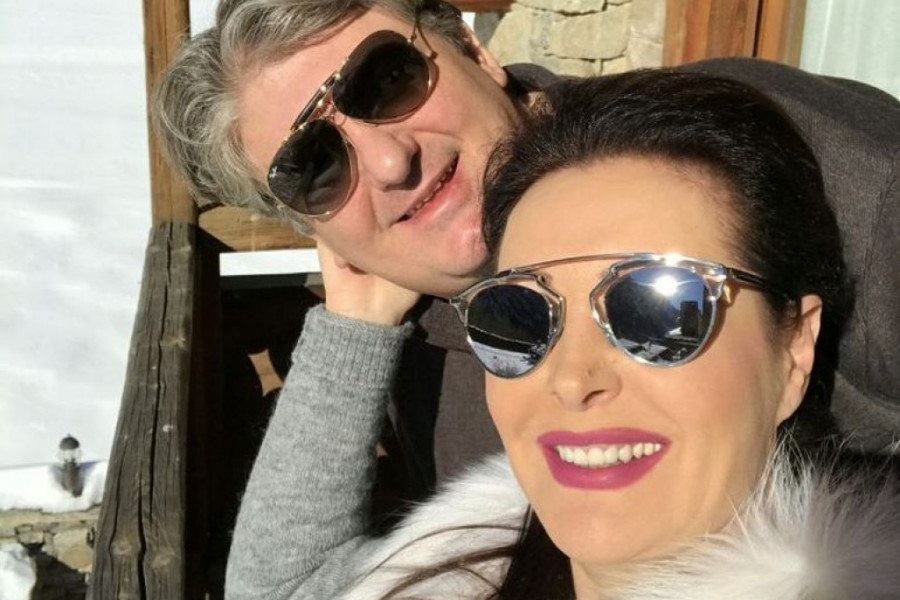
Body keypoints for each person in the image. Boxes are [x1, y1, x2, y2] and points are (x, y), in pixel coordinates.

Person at [153, 1, 900, 497]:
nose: (389, 161)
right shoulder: (418, 340)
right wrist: (355, 325)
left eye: (385, 80)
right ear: (307, 226)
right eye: (313, 165)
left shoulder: (761, 146)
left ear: (473, 50)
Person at [225, 71, 900, 600]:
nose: (573, 378)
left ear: (795, 348)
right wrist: (354, 320)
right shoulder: (469, 557)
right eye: (517, 317)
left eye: (657, 307)